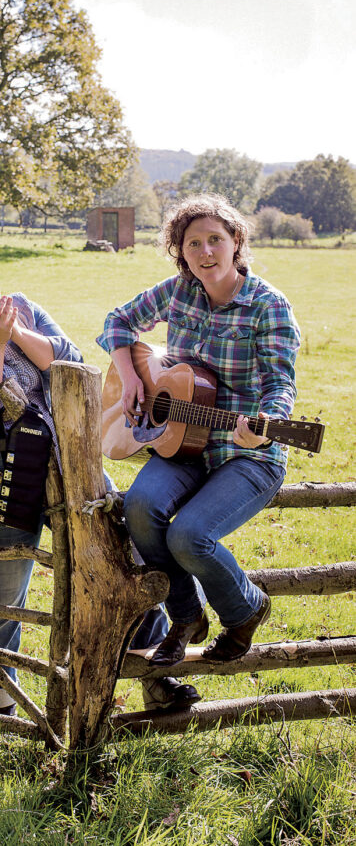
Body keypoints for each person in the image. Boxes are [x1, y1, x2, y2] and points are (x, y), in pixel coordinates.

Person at [0, 237, 175, 716]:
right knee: (3, 604)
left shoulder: (23, 312)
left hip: (73, 473)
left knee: (130, 565)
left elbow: (73, 362)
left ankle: (157, 681)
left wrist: (14, 335)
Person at [97, 193, 300, 682]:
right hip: (183, 443)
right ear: (180, 251)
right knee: (140, 509)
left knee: (189, 535)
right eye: (193, 243)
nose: (206, 251)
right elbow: (118, 322)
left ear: (236, 244)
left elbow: (280, 384)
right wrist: (131, 378)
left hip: (246, 453)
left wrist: (265, 422)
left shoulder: (267, 305)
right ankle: (185, 618)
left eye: (216, 240)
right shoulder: (178, 292)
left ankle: (246, 608)